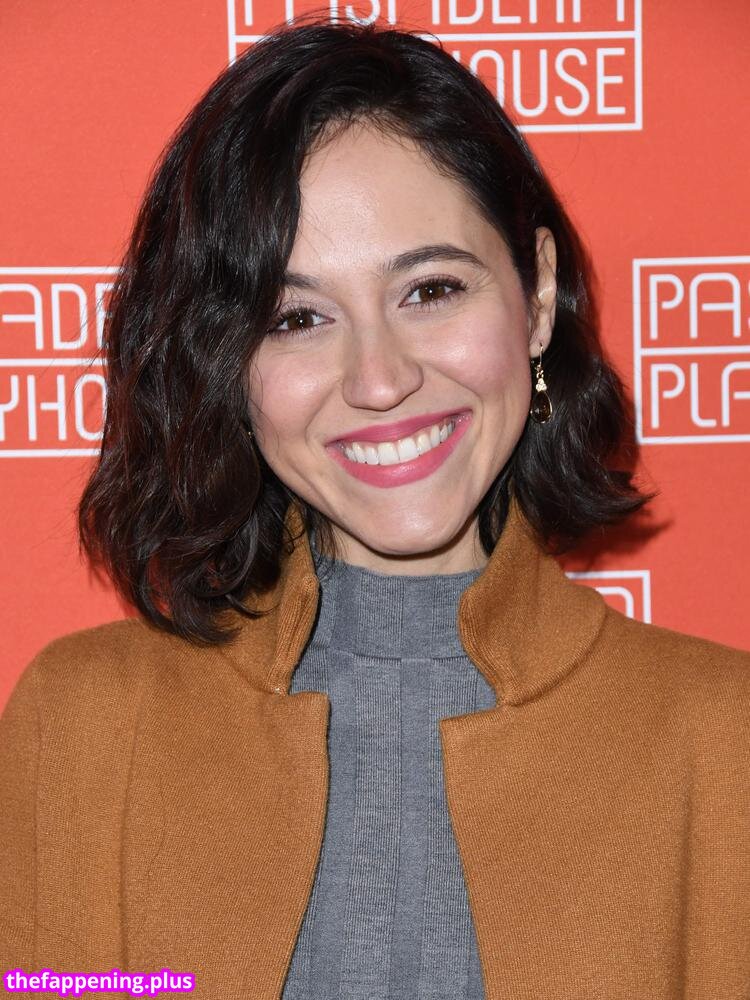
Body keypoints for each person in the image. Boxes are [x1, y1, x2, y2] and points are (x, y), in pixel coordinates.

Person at [1, 13, 749, 1000]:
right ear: (230, 363)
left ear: (534, 296)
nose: (380, 379)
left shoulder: (722, 741)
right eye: (297, 316)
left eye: (430, 290)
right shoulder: (84, 727)